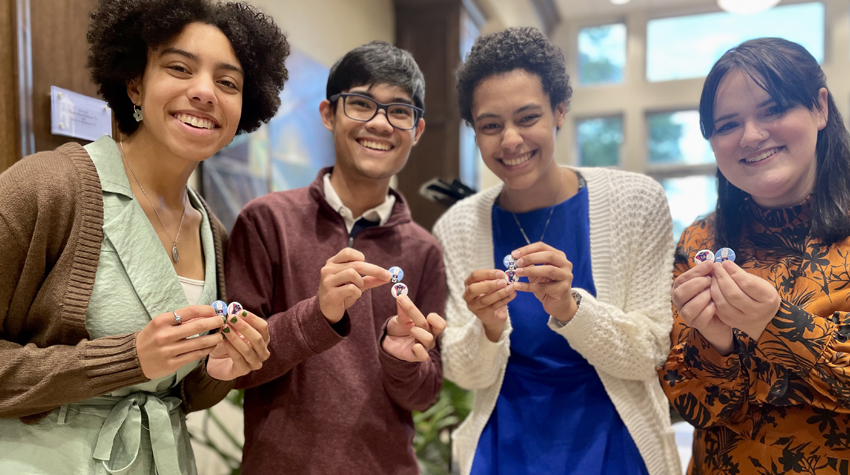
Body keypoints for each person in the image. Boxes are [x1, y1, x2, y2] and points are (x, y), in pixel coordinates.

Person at [0, 0, 288, 473]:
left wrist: (219, 370)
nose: (204, 92)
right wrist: (125, 358)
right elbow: (139, 363)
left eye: (227, 82)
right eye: (179, 68)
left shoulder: (213, 234)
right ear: (135, 82)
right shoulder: (48, 188)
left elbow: (180, 392)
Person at [434, 27, 680, 475]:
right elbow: (463, 371)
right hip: (505, 448)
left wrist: (570, 309)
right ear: (474, 130)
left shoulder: (635, 201)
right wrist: (488, 328)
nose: (510, 140)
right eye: (490, 125)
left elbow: (653, 352)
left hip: (615, 444)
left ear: (560, 111)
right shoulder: (458, 226)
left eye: (528, 118)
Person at [225, 41, 447, 475]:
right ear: (329, 114)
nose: (381, 124)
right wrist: (318, 317)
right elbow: (233, 367)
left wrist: (402, 360)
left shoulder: (424, 250)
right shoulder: (266, 221)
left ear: (417, 130)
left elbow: (426, 394)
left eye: (400, 111)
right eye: (361, 104)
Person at [660, 37, 850, 473]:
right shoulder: (699, 240)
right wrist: (716, 343)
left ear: (820, 108)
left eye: (773, 110)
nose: (751, 135)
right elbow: (697, 409)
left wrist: (774, 324)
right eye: (727, 125)